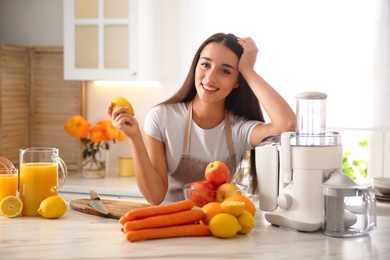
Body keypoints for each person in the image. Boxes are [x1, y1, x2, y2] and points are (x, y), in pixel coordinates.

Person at [108, 33, 296, 205]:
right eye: (205, 65)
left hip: (218, 229)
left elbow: (286, 125)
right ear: (196, 66)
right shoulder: (162, 118)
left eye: (226, 71)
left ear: (237, 80)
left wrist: (248, 69)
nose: (210, 78)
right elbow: (155, 196)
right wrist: (135, 138)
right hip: (169, 228)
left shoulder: (239, 130)